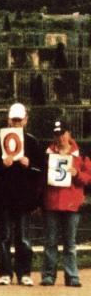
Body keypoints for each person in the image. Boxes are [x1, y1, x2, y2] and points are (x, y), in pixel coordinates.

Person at [0, 103, 45, 287]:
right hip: (5, 196)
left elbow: (41, 170)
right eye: (13, 120)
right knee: (4, 237)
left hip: (24, 197)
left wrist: (29, 163)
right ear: (9, 120)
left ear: (25, 120)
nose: (16, 123)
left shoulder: (32, 142)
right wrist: (1, 164)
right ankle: (5, 272)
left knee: (23, 237)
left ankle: (24, 272)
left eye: (19, 120)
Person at [40, 120, 90, 287]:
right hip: (51, 203)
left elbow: (88, 177)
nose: (60, 137)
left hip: (71, 204)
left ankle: (72, 276)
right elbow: (40, 179)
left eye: (62, 133)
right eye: (57, 134)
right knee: (50, 242)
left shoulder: (80, 154)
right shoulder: (47, 153)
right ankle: (48, 275)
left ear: (69, 133)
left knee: (70, 243)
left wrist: (77, 174)